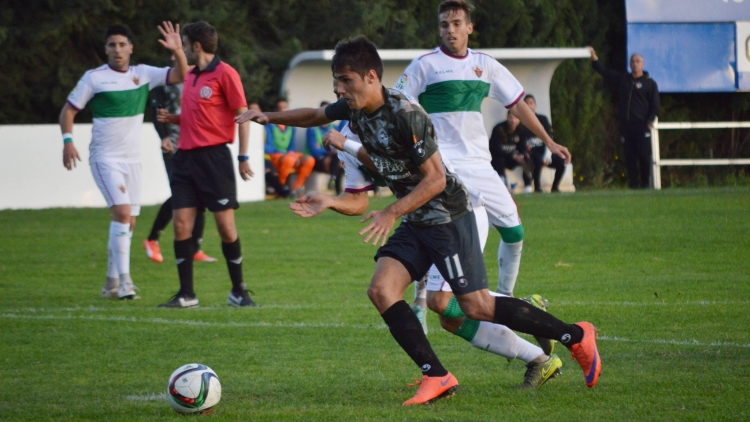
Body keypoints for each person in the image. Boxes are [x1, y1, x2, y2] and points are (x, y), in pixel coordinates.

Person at [236, 35, 601, 405]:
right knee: (382, 290)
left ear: (371, 77)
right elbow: (315, 116)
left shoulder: (406, 114)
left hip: (449, 216)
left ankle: (575, 335)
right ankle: (438, 376)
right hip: (417, 218)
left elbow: (437, 178)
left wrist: (392, 211)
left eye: (346, 80)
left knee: (473, 306)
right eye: (337, 80)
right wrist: (268, 118)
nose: (338, 88)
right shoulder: (355, 110)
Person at [60, 22, 187, 300]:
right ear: (106, 49)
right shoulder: (94, 78)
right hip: (105, 159)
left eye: (122, 45)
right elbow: (68, 112)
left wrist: (178, 50)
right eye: (111, 45)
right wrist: (68, 141)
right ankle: (127, 282)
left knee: (128, 223)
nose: (117, 50)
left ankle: (111, 283)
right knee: (122, 213)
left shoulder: (143, 74)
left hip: (132, 161)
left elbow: (182, 74)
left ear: (131, 48)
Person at [157, 21, 256, 308]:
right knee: (181, 226)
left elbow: (243, 115)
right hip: (185, 159)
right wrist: (174, 120)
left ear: (196, 46)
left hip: (215, 160)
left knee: (225, 227)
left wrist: (243, 157)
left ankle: (238, 291)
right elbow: (197, 116)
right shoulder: (190, 76)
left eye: (186, 44)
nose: (184, 50)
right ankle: (186, 293)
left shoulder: (226, 74)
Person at [143, 59, 217, 264]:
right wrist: (164, 136)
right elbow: (156, 112)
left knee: (201, 193)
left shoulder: (201, 79)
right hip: (174, 145)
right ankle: (152, 239)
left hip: (197, 145)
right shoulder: (165, 79)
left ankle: (195, 249)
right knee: (180, 193)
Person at [587, 46, 660, 189]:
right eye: (632, 61)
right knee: (630, 157)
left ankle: (646, 185)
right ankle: (634, 185)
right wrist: (594, 58)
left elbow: (655, 105)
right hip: (626, 127)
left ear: (643, 64)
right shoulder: (624, 80)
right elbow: (605, 73)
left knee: (644, 157)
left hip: (642, 126)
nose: (635, 64)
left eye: (638, 61)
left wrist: (649, 122)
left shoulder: (650, 83)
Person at [265, 100, 315, 194]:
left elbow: (291, 146)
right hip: (274, 155)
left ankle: (297, 187)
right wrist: (288, 155)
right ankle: (281, 188)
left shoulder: (291, 126)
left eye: (285, 107)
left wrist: (291, 153)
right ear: (276, 111)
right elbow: (268, 146)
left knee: (309, 160)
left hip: (288, 155)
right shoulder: (269, 126)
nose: (283, 110)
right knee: (289, 160)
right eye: (280, 108)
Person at [523, 94, 566, 193]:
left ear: (535, 105)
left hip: (545, 151)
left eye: (531, 103)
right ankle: (537, 188)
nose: (529, 105)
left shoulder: (543, 119)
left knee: (561, 161)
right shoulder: (522, 122)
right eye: (526, 103)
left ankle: (555, 187)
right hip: (532, 154)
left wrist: (548, 155)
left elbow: (549, 137)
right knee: (537, 160)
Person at [306, 101, 345, 194]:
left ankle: (334, 184)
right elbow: (314, 152)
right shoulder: (312, 129)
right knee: (336, 160)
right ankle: (337, 188)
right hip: (316, 160)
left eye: (328, 111)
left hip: (332, 160)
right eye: (323, 111)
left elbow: (340, 147)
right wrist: (330, 152)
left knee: (338, 160)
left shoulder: (335, 128)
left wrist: (327, 151)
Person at [488, 112, 533, 188]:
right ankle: (503, 183)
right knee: (499, 161)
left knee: (527, 159)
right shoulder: (499, 129)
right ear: (507, 118)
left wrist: (523, 155)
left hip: (514, 157)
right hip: (499, 157)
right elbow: (495, 149)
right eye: (511, 118)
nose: (513, 121)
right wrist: (513, 156)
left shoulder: (522, 129)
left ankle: (528, 187)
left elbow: (522, 146)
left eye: (516, 118)